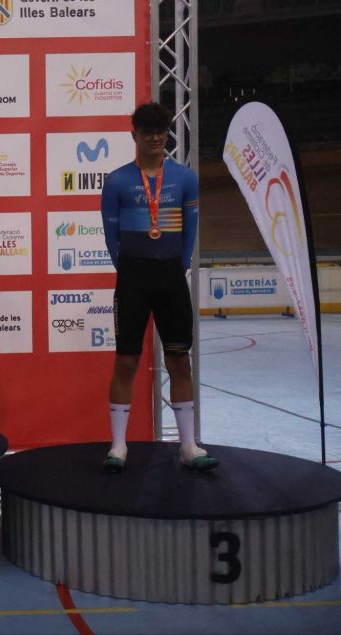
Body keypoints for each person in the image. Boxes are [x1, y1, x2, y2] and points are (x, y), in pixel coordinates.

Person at [99, 102, 217, 473]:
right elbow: (111, 235)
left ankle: (188, 446)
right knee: (126, 361)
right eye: (147, 132)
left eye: (161, 131)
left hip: (171, 276)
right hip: (133, 277)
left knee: (179, 360)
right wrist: (129, 269)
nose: (155, 138)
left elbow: (190, 231)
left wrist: (176, 267)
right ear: (133, 134)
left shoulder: (185, 178)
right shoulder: (117, 181)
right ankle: (118, 445)